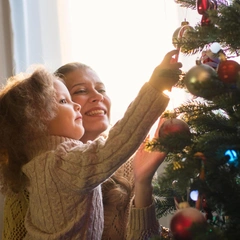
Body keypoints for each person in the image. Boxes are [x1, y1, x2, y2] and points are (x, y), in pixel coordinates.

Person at [0, 50, 182, 240]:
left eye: (102, 89)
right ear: (35, 121)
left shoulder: (38, 167)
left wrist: (143, 182)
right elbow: (120, 139)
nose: (97, 97)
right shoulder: (63, 163)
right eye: (69, 97)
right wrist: (155, 87)